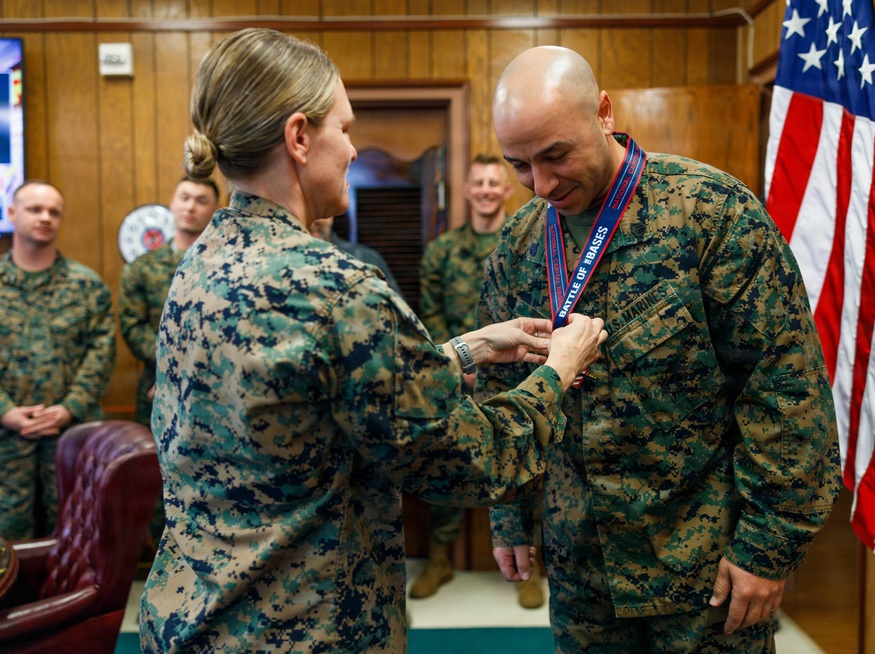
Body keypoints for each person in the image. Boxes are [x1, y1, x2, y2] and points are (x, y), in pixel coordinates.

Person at [138, 29, 607, 654]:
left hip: (192, 616)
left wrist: (464, 350)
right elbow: (467, 461)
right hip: (302, 627)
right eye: (346, 128)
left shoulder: (202, 263)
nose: (355, 150)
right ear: (300, 138)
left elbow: (307, 401)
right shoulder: (334, 286)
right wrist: (557, 372)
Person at [478, 45, 842, 653]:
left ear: (602, 112)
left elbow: (784, 388)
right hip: (581, 572)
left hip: (702, 567)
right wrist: (508, 514)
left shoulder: (713, 215)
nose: (540, 185)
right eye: (519, 164)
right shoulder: (517, 249)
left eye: (555, 156)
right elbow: (499, 393)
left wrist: (768, 547)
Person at [412, 153, 548, 608]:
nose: (488, 189)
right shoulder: (442, 251)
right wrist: (459, 360)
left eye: (495, 182)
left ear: (507, 189)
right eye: (479, 182)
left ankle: (528, 565)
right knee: (449, 463)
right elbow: (428, 315)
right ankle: (440, 558)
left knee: (527, 463)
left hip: (520, 374)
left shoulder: (529, 246)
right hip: (457, 374)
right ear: (467, 190)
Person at [0, 180, 116, 540]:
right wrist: (5, 411)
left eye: (54, 211)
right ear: (12, 214)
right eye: (35, 209)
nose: (45, 217)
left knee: (72, 535)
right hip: (4, 439)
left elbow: (101, 353)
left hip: (69, 436)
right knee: (6, 542)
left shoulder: (86, 286)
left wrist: (69, 407)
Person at [119, 176, 220, 427]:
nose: (190, 207)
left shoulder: (227, 267)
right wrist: (173, 366)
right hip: (158, 385)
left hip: (216, 389)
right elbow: (133, 326)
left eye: (201, 201)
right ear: (172, 203)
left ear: (215, 211)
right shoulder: (141, 268)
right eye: (184, 198)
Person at [309, 215, 403, 296]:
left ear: (331, 216)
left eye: (317, 214)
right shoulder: (294, 262)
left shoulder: (365, 258)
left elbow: (399, 312)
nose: (311, 223)